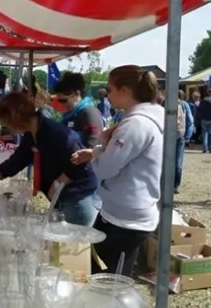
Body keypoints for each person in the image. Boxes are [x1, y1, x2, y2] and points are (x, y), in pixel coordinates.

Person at [70, 65, 163, 276]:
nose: (107, 94)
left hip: (126, 218)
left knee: (112, 282)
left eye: (110, 89)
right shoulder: (139, 120)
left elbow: (105, 169)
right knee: (104, 271)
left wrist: (102, 141)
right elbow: (121, 156)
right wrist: (95, 152)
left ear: (125, 90)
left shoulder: (135, 125)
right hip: (124, 212)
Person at [0, 91, 100, 227]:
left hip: (79, 198)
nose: (7, 128)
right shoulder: (31, 135)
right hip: (62, 198)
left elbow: (82, 162)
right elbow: (13, 165)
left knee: (71, 247)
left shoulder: (58, 134)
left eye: (6, 123)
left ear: (15, 117)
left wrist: (58, 183)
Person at [53, 71, 105, 149]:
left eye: (64, 101)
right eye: (58, 100)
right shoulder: (70, 114)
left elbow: (93, 146)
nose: (62, 104)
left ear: (77, 94)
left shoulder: (89, 112)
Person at [174, 89, 194, 195]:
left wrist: (187, 136)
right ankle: (170, 184)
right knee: (175, 163)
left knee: (177, 163)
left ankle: (176, 185)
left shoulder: (184, 105)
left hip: (180, 137)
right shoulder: (168, 103)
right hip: (169, 136)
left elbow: (190, 121)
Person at [197, 87, 211, 153]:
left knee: (204, 134)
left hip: (204, 119)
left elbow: (199, 109)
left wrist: (201, 117)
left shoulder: (203, 100)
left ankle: (205, 148)